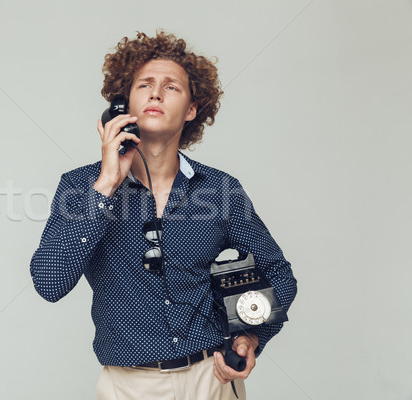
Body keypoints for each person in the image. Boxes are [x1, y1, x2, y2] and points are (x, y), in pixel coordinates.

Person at [30, 31, 297, 400]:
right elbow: (49, 283)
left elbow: (279, 274)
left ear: (191, 110)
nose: (156, 93)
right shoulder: (81, 187)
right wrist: (107, 183)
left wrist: (252, 337)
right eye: (145, 85)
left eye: (171, 87)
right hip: (129, 385)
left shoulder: (220, 190)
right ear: (123, 105)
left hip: (212, 380)